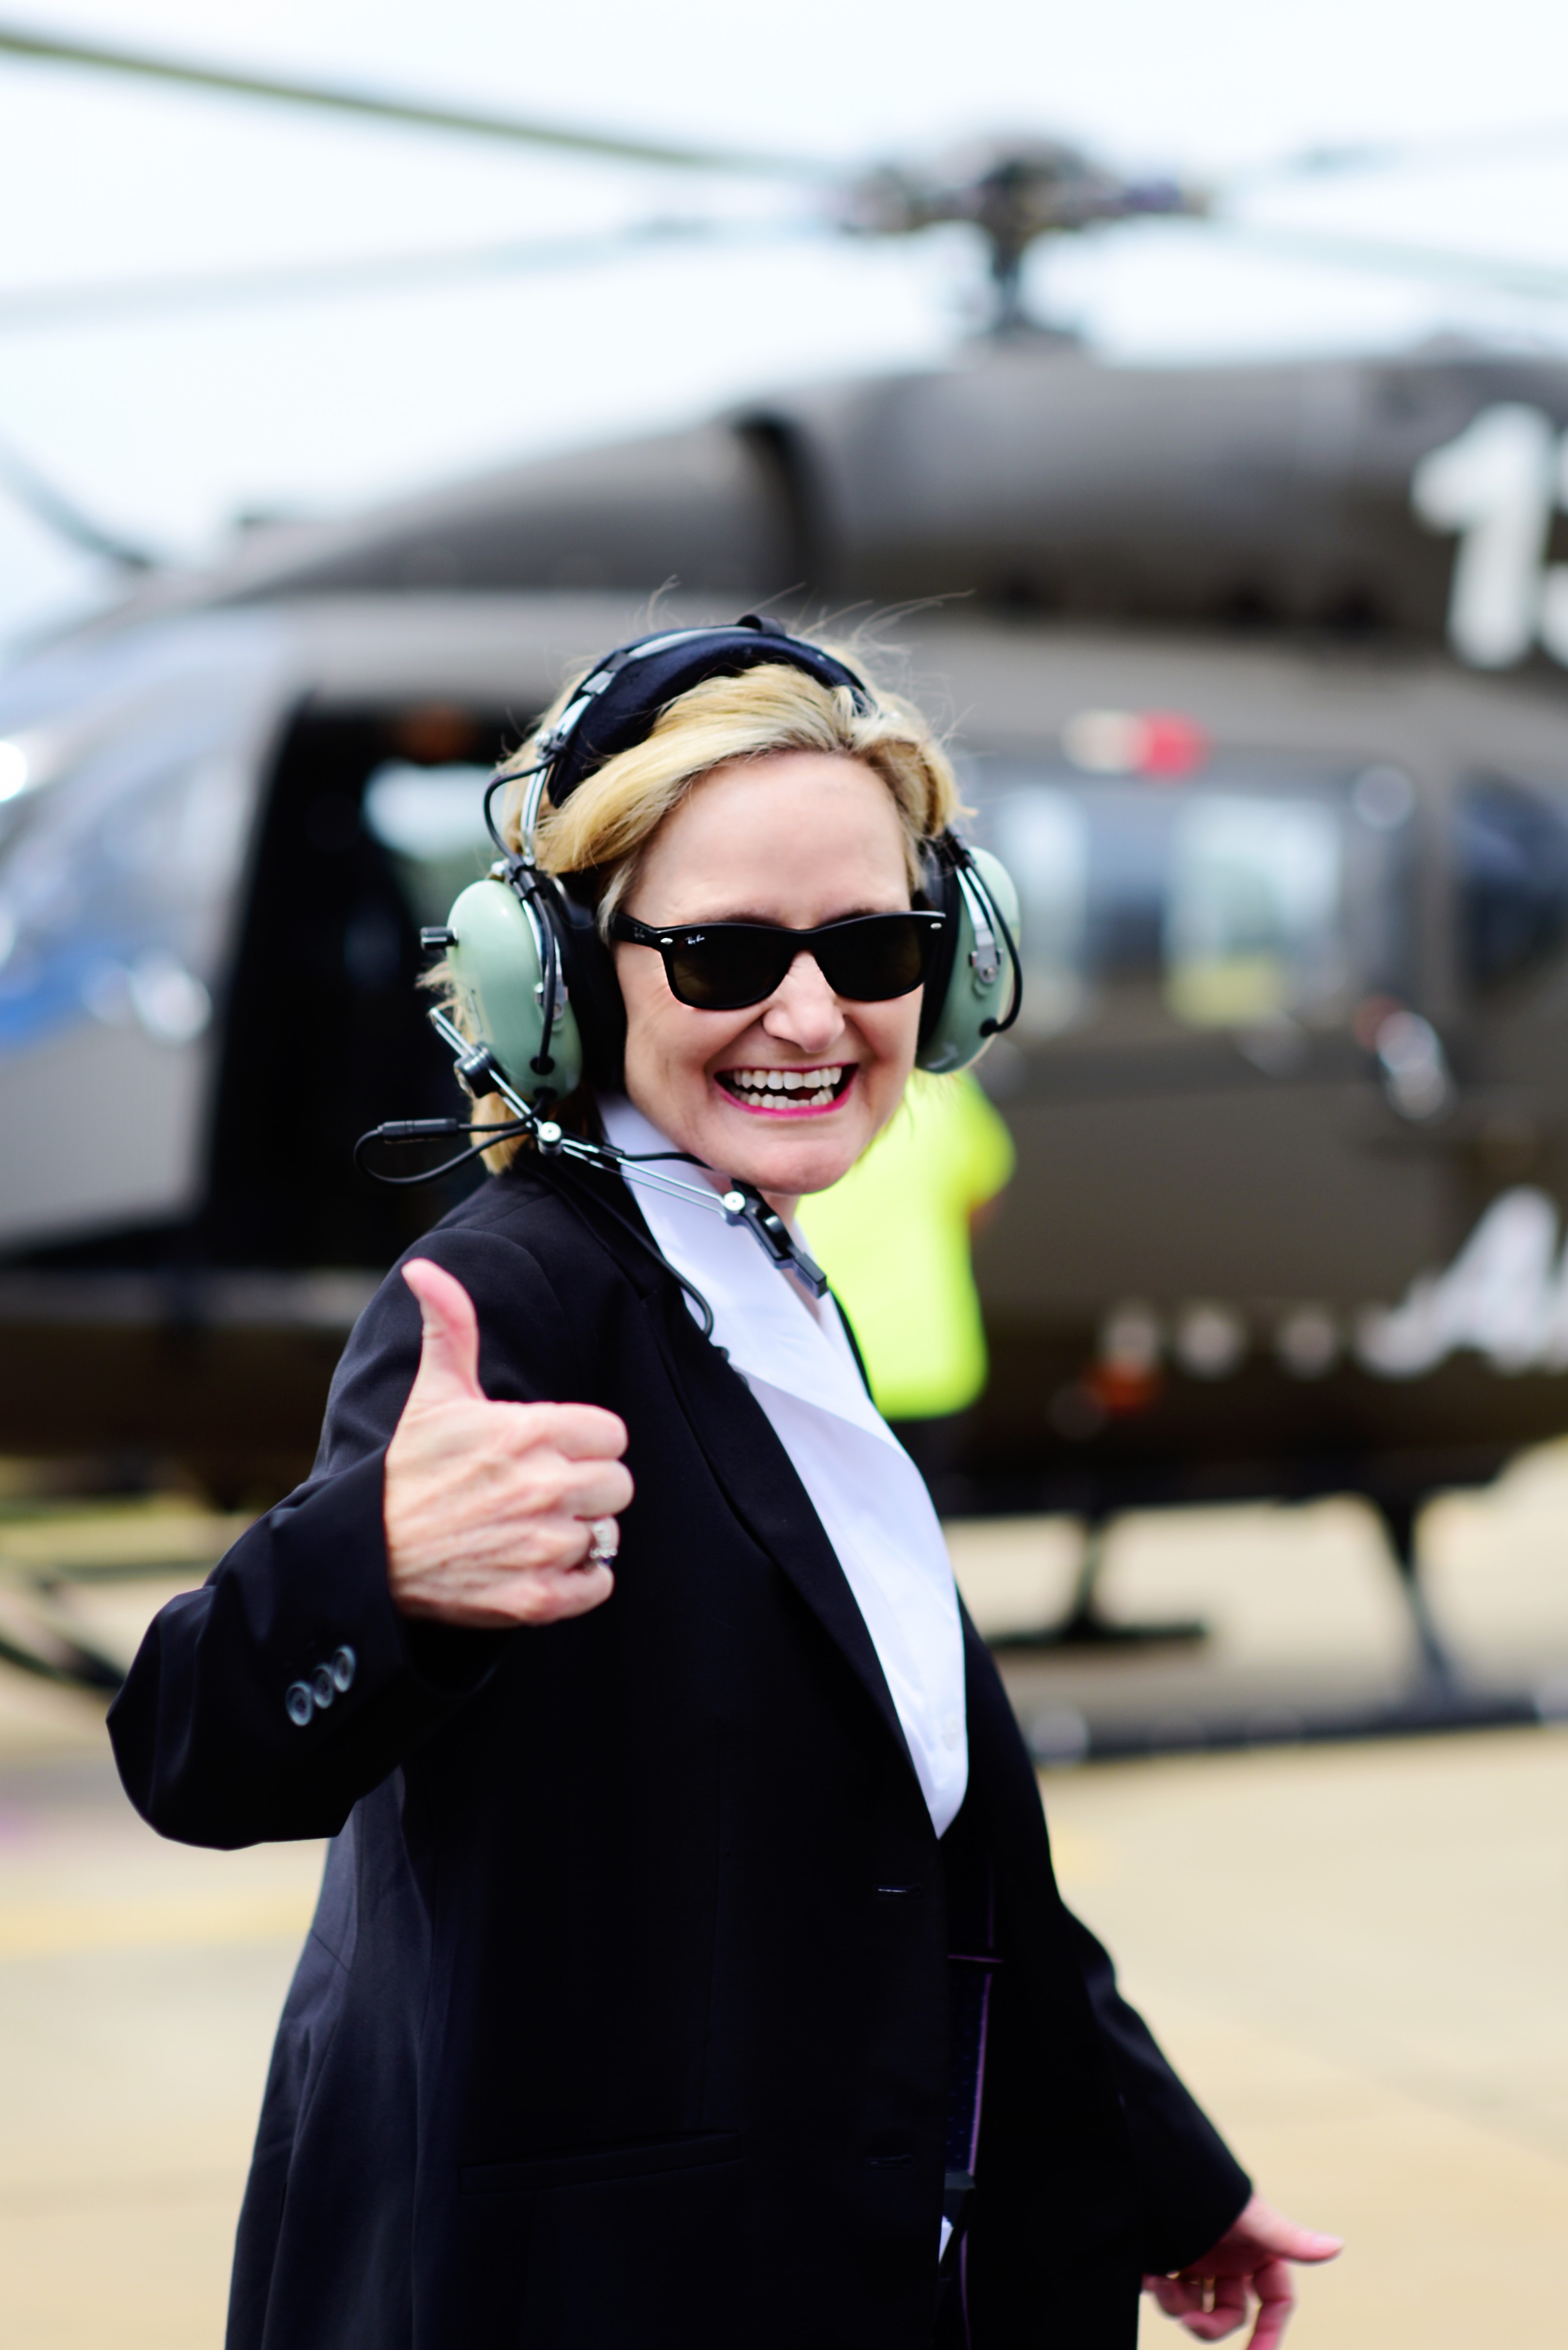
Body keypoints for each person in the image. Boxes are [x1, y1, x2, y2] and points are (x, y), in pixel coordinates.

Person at [108, 622, 1338, 2350]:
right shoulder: (514, 1301)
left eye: (873, 945)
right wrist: (380, 1568)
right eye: (725, 954)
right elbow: (193, 1746)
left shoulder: (768, 1280)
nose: (811, 1013)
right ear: (562, 970)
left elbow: (937, 1835)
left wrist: (1155, 2164)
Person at [800, 1068, 1015, 1507]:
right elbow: (982, 1192)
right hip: (924, 1364)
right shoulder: (943, 1081)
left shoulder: (767, 1092)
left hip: (811, 1365)